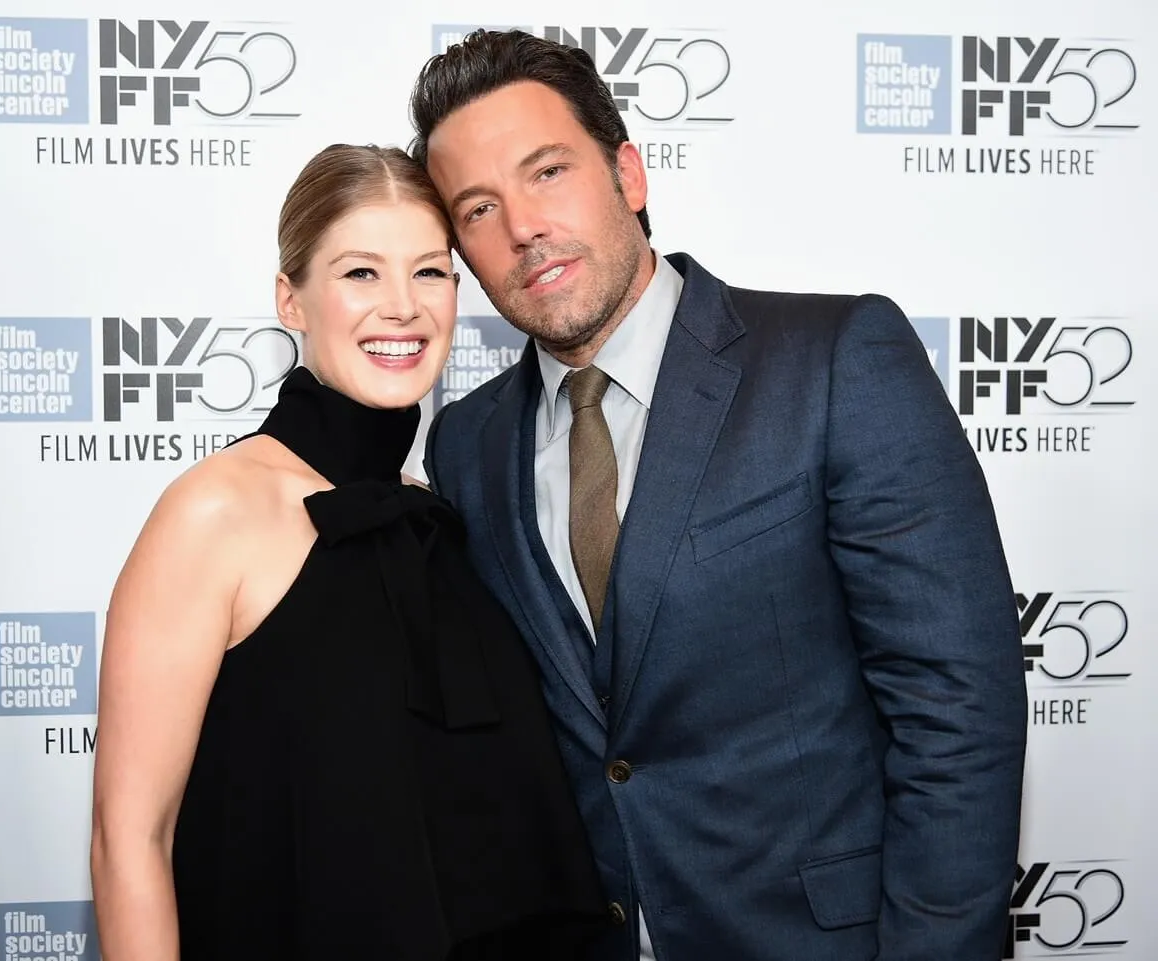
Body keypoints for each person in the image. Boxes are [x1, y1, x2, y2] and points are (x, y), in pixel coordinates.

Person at [410, 29, 1029, 961]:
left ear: (629, 173)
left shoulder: (832, 361)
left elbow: (959, 706)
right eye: (479, 208)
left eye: (547, 173)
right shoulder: (465, 443)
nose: (522, 228)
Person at [89, 143, 609, 961]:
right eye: (360, 273)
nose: (401, 307)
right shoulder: (215, 511)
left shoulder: (439, 516)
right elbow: (130, 842)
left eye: (429, 272)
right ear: (290, 300)